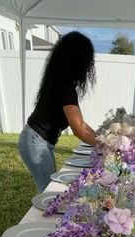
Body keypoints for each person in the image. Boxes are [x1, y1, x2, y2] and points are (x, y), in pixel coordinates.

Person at [18, 32, 97, 192]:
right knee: (50, 193)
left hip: (37, 141)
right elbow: (79, 130)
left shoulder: (61, 80)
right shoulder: (65, 85)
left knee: (51, 191)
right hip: (36, 141)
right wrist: (106, 146)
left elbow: (80, 123)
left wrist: (101, 140)